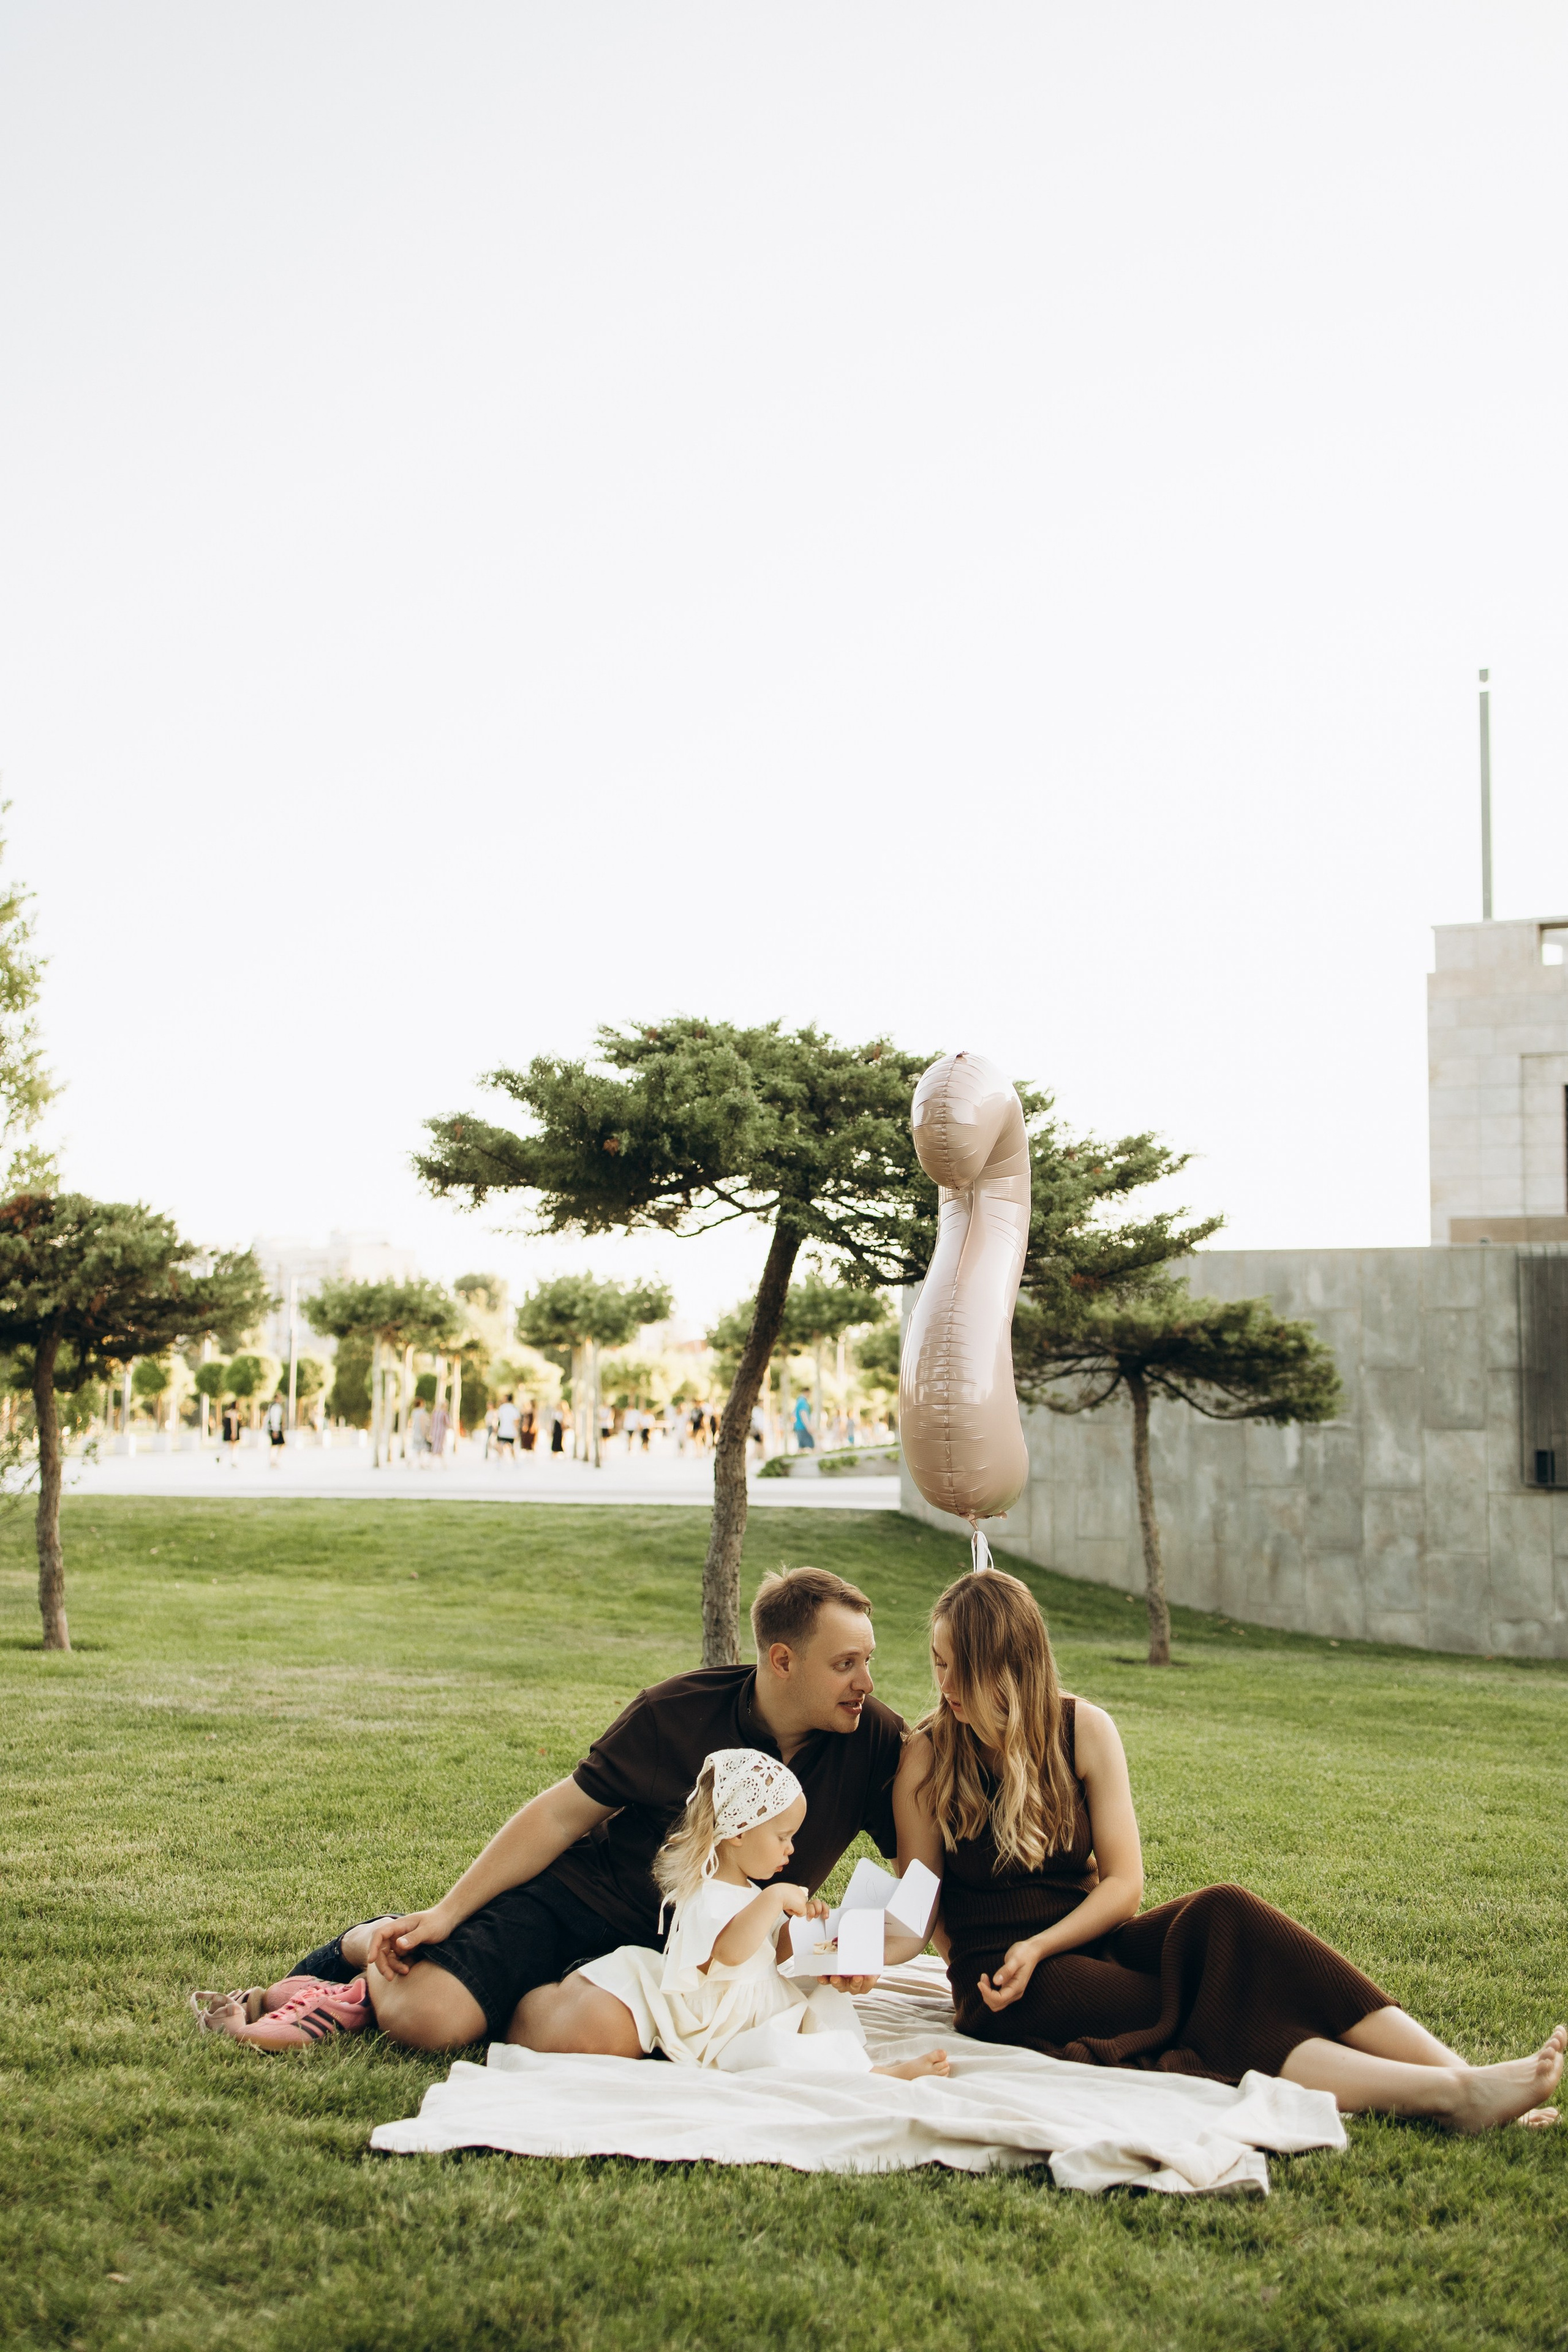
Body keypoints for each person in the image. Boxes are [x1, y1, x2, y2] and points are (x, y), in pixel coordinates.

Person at [894, 1567, 1565, 2132]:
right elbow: (921, 1910)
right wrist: (899, 1955)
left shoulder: (1083, 1730)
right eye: (938, 1664)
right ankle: (1445, 2100)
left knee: (1227, 1911)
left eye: (962, 1669)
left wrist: (1045, 1942)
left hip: (1082, 1941)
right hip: (1006, 1983)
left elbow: (1124, 1885)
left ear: (1011, 1668)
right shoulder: (928, 1756)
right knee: (1209, 2005)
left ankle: (1458, 2073)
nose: (945, 1686)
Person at [252, 1568, 913, 2053]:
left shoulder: (875, 1738)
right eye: (846, 1664)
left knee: (582, 2039)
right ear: (782, 1660)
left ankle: (461, 1983)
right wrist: (449, 1912)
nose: (867, 1683)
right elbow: (559, 1817)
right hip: (579, 1901)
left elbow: (909, 1881)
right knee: (433, 2023)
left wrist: (860, 1952)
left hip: (686, 1956)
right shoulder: (676, 1711)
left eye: (868, 1661)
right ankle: (375, 1941)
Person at [535, 1746, 948, 2079]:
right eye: (782, 1837)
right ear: (738, 1834)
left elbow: (775, 1947)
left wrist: (817, 1929)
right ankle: (871, 2076)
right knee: (780, 2049)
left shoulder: (750, 1890)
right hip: (720, 2019)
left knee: (824, 2007)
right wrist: (771, 1902)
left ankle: (862, 2066)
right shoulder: (707, 1892)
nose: (791, 1849)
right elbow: (731, 1951)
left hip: (758, 2001)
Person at [494, 1393, 520, 1460]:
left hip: (502, 1431)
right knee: (512, 1447)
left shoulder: (502, 1408)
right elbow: (516, 1422)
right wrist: (517, 1432)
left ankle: (500, 1460)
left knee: (500, 1446)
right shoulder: (514, 1408)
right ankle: (514, 1461)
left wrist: (496, 1428)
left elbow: (497, 1419)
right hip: (511, 1432)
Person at [263, 1395, 285, 1465]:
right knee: (277, 1444)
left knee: (275, 1445)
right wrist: (275, 1430)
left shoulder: (273, 1406)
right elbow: (274, 1419)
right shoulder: (275, 1407)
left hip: (275, 1428)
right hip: (275, 1428)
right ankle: (274, 1460)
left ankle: (273, 1459)